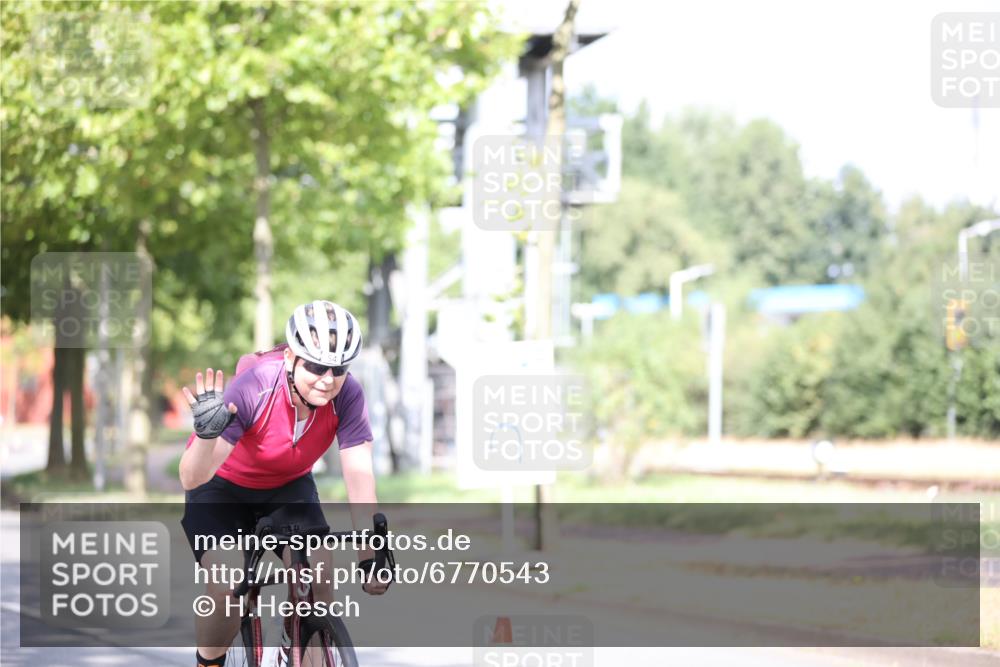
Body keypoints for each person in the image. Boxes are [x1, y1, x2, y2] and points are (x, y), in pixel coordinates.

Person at [179, 300, 388, 667]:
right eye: (317, 366)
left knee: (320, 578)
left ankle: (298, 642)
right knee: (228, 586)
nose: (328, 379)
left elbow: (359, 477)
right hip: (221, 487)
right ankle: (208, 662)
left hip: (287, 486)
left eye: (338, 368)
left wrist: (370, 556)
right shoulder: (255, 386)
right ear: (291, 357)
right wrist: (207, 436)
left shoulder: (348, 395)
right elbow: (192, 477)